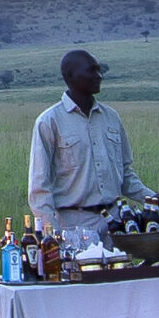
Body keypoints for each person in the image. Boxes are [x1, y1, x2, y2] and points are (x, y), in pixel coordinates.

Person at [25, 48, 135, 270]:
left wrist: (156, 200)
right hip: (75, 226)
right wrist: (53, 237)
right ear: (70, 76)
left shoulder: (111, 118)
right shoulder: (49, 122)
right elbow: (39, 189)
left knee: (120, 289)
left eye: (99, 70)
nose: (99, 76)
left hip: (115, 224)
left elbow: (127, 175)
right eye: (91, 71)